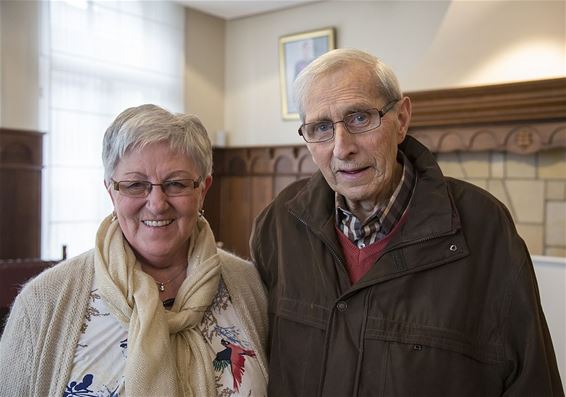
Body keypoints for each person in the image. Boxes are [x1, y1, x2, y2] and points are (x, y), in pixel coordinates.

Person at [250, 48, 563, 396]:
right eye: (321, 127)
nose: (342, 148)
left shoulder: (485, 228)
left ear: (401, 120)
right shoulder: (280, 223)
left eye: (359, 118)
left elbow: (533, 379)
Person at [0, 104, 268, 396]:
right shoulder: (43, 303)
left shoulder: (249, 287)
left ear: (202, 189)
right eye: (135, 185)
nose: (156, 203)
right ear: (111, 191)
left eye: (176, 183)